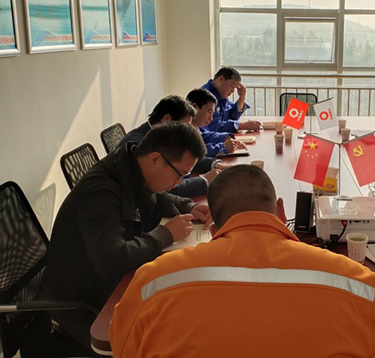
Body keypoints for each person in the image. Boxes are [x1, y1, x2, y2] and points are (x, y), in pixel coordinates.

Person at [109, 165, 375, 358]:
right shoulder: (352, 280)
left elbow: (122, 346)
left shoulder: (153, 281)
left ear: (213, 229)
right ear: (280, 210)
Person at [41, 123, 212, 351]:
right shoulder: (100, 193)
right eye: (180, 175)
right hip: (84, 305)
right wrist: (166, 234)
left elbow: (155, 197)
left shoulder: (130, 167)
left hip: (108, 282)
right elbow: (112, 260)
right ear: (154, 159)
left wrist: (189, 206)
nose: (179, 183)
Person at [117, 95, 227, 197]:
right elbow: (161, 188)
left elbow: (182, 159)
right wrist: (204, 180)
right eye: (184, 126)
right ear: (167, 120)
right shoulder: (138, 144)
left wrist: (215, 165)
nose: (186, 132)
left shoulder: (161, 136)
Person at [186, 87, 247, 157]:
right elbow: (195, 151)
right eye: (209, 112)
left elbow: (204, 136)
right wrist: (223, 147)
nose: (211, 118)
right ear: (194, 107)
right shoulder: (183, 130)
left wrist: (224, 137)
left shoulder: (195, 127)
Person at [201, 67, 262, 133]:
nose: (233, 91)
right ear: (221, 79)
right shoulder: (204, 95)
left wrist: (242, 98)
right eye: (232, 86)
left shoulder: (222, 94)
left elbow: (231, 117)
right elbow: (212, 126)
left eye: (235, 88)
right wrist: (242, 125)